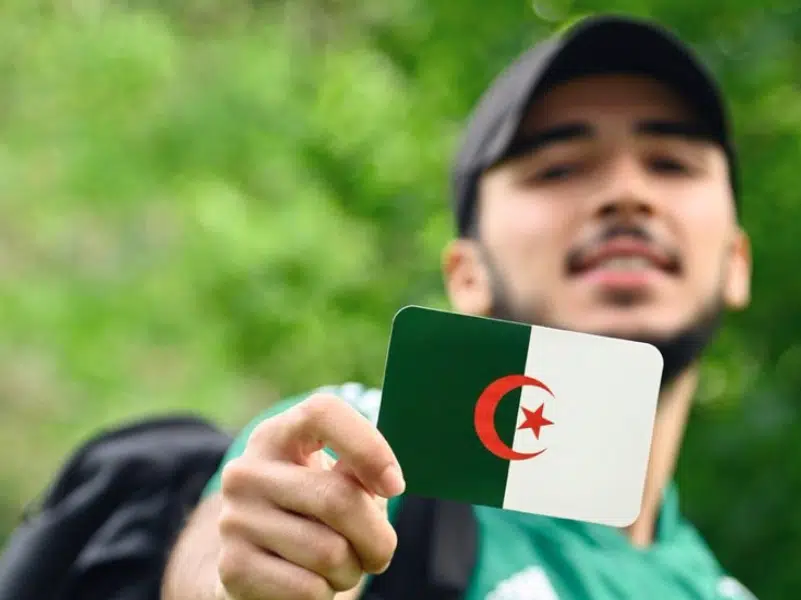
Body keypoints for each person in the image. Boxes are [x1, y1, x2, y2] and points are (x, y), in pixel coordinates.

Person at [162, 13, 757, 600]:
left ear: (736, 261)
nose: (627, 194)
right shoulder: (380, 447)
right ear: (468, 276)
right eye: (559, 169)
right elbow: (225, 563)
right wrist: (245, 578)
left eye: (671, 164)